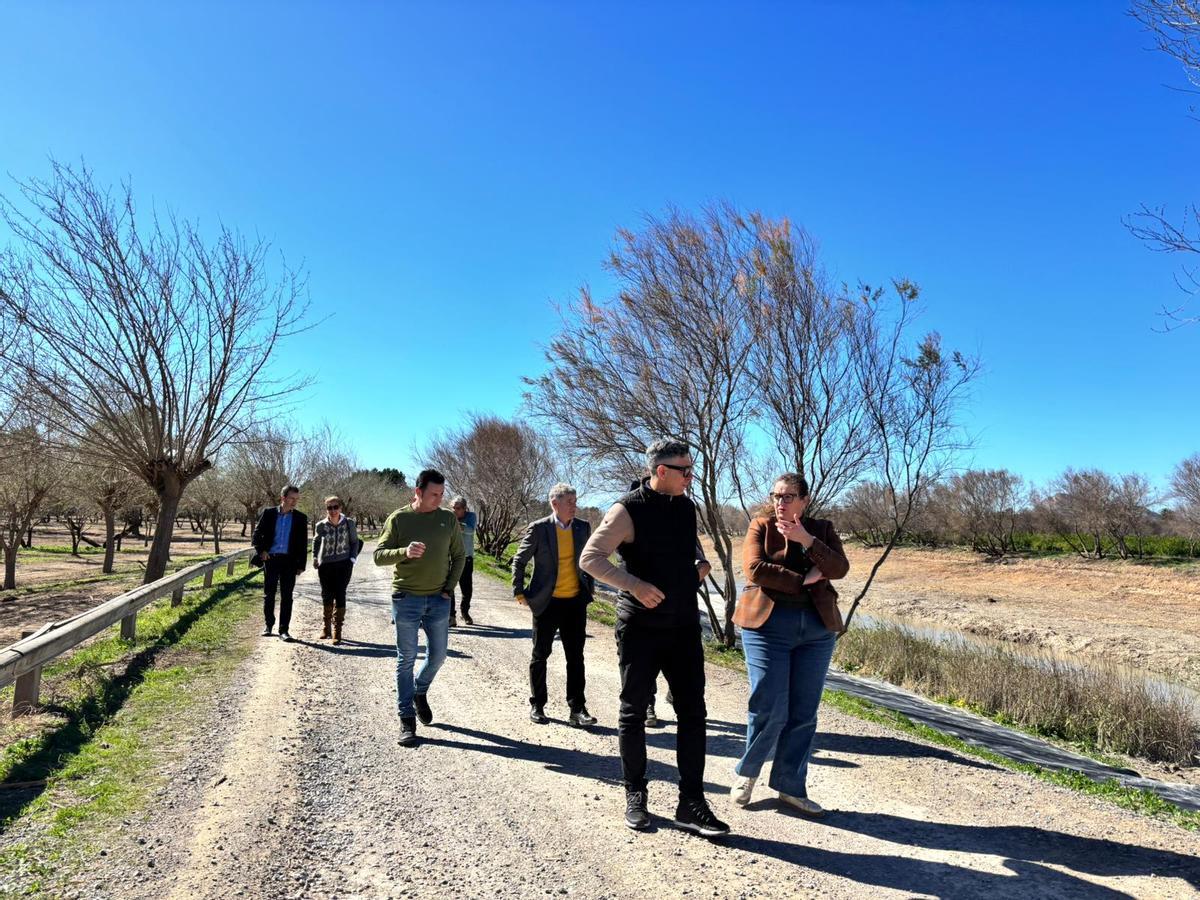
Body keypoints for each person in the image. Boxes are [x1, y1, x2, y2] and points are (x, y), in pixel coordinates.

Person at [580, 439, 729, 838]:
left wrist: (698, 566)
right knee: (632, 713)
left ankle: (691, 803)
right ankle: (635, 794)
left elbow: (688, 550)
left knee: (693, 713)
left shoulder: (686, 506)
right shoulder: (627, 509)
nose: (690, 476)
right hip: (640, 627)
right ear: (661, 471)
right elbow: (591, 559)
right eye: (685, 470)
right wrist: (633, 585)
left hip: (683, 625)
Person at [731, 473, 849, 816]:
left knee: (804, 711)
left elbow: (840, 567)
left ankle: (790, 786)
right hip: (767, 627)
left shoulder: (821, 529)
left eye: (788, 496)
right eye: (776, 496)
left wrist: (806, 539)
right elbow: (755, 569)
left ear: (804, 500)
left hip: (816, 629)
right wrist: (805, 579)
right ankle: (747, 773)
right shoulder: (761, 526)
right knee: (769, 705)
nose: (780, 502)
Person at [374, 469, 466, 746]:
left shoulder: (447, 519)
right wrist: (403, 552)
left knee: (438, 657)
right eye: (434, 494)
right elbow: (378, 556)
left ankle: (419, 691)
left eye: (441, 494)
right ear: (418, 492)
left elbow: (459, 556)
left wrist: (449, 588)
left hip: (438, 600)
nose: (439, 499)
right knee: (406, 659)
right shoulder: (399, 519)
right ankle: (406, 720)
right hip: (406, 599)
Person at [511, 483, 597, 728]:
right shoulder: (539, 529)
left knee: (576, 657)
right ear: (554, 504)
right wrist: (519, 590)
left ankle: (577, 709)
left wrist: (590, 586)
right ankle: (537, 705)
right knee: (540, 655)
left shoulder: (582, 527)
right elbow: (520, 559)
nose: (574, 506)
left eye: (575, 501)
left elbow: (589, 559)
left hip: (575, 602)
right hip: (547, 603)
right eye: (569, 502)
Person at [252, 485, 309, 642]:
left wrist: (301, 565)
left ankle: (284, 630)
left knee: (287, 596)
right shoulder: (269, 513)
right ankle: (268, 626)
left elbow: (303, 544)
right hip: (271, 559)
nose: (294, 502)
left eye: (297, 499)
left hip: (289, 562)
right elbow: (257, 534)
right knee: (269, 594)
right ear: (283, 498)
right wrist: (261, 551)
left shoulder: (300, 518)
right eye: (291, 498)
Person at [312, 495, 359, 645]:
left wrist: (352, 559)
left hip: (343, 565)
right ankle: (326, 628)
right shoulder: (321, 525)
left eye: (335, 507)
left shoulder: (349, 523)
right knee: (326, 595)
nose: (332, 510)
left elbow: (354, 542)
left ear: (340, 508)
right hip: (325, 565)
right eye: (329, 507)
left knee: (340, 594)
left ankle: (337, 631)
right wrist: (315, 557)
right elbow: (316, 541)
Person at [451, 497, 477, 626]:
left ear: (465, 508)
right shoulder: (448, 517)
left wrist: (456, 523)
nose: (455, 511)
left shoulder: (471, 516)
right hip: (450, 557)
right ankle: (451, 615)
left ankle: (465, 612)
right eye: (453, 508)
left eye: (458, 508)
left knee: (466, 589)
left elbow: (470, 530)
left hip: (466, 557)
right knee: (449, 586)